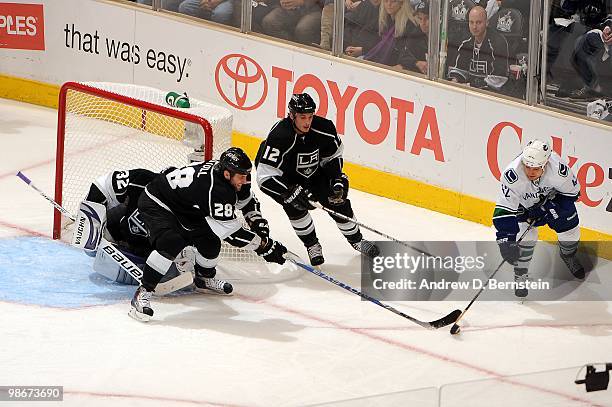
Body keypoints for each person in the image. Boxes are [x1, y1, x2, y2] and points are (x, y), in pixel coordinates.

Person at [129, 147, 287, 321]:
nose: (245, 180)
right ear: (227, 174)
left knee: (210, 241)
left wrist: (256, 220)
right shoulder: (216, 189)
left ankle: (203, 279)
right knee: (171, 242)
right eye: (241, 176)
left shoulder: (233, 177)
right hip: (157, 202)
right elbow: (232, 234)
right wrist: (264, 246)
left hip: (185, 206)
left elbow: (247, 200)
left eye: (247, 175)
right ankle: (143, 293)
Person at [255, 93, 380, 266]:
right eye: (302, 117)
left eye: (310, 116)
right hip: (288, 180)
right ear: (292, 115)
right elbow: (264, 175)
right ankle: (312, 245)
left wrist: (336, 179)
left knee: (338, 202)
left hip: (315, 174)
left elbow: (333, 156)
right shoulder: (279, 135)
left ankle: (357, 240)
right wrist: (288, 191)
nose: (307, 122)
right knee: (295, 207)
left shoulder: (325, 128)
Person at [493, 139, 584, 298]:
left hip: (553, 205)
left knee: (571, 231)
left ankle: (568, 255)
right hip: (524, 207)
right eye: (527, 167)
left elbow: (573, 194)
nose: (530, 172)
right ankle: (520, 273)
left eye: (535, 168)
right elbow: (504, 210)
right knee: (527, 236)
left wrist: (550, 207)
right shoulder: (512, 175)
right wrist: (506, 241)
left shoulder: (559, 170)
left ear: (546, 163)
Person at [448, 5, 510, 90]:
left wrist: (470, 86)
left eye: (478, 22)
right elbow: (459, 70)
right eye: (471, 22)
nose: (474, 27)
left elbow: (497, 79)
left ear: (487, 22)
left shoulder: (498, 43)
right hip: (469, 91)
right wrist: (454, 82)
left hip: (492, 96)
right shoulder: (465, 41)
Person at [363, 0, 418, 69]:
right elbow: (378, 43)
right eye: (386, 1)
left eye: (393, 1)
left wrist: (403, 65)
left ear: (402, 3)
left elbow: (409, 52)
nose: (389, 4)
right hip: (383, 64)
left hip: (396, 67)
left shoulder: (409, 24)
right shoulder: (385, 19)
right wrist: (363, 50)